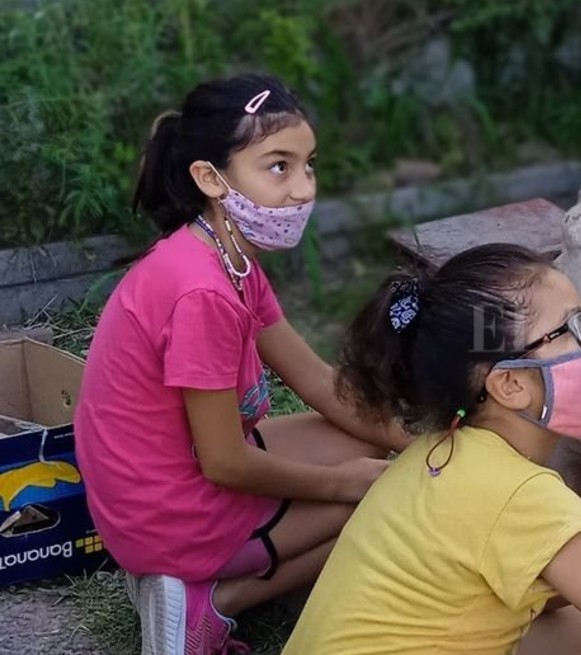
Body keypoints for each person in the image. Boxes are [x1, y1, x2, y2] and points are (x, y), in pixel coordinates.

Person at [73, 73, 410, 655]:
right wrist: (344, 483)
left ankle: (192, 578)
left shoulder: (227, 259)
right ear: (210, 178)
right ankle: (211, 605)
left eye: (308, 165)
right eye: (278, 166)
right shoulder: (201, 294)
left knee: (373, 450)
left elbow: (316, 380)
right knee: (385, 502)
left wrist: (415, 442)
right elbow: (225, 462)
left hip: (157, 481)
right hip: (165, 513)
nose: (303, 189)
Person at [281, 243, 581, 655]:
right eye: (573, 327)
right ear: (510, 384)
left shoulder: (438, 455)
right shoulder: (522, 498)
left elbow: (499, 569)